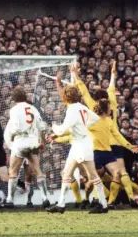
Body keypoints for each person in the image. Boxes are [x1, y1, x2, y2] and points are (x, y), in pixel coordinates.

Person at [72, 62, 138, 207]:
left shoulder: (93, 106)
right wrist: (113, 75)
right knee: (119, 174)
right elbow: (111, 87)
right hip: (116, 142)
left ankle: (103, 199)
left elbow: (84, 91)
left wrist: (75, 75)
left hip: (99, 143)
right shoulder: (112, 102)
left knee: (98, 175)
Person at [46, 85, 108, 214]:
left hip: (81, 145)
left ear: (65, 97)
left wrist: (54, 127)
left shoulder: (72, 109)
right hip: (78, 144)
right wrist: (83, 126)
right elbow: (95, 118)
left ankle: (103, 205)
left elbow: (63, 128)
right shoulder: (81, 107)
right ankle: (61, 204)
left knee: (93, 176)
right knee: (66, 173)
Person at [0, 87, 50, 209]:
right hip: (33, 141)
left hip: (20, 142)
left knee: (13, 172)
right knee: (38, 170)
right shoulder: (33, 108)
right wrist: (42, 140)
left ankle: (10, 200)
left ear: (14, 98)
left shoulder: (14, 109)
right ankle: (45, 198)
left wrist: (11, 136)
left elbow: (16, 127)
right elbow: (41, 126)